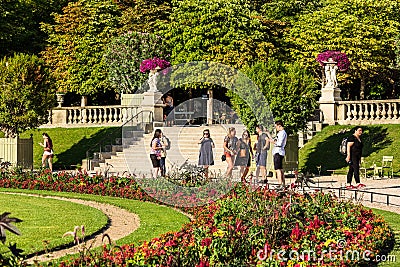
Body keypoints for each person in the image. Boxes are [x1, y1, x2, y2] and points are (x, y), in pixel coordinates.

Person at [271, 121, 287, 189]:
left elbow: (279, 143)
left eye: (276, 126)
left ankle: (280, 183)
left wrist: (273, 142)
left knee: (277, 169)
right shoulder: (280, 133)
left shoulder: (282, 133)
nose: (276, 128)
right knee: (280, 168)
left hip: (278, 151)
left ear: (279, 126)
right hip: (278, 151)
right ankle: (283, 183)